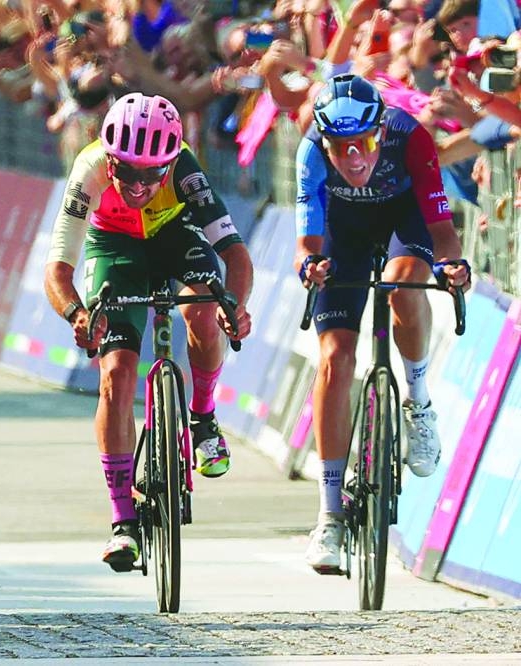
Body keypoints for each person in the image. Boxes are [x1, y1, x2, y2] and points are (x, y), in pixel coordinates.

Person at [43, 92, 254, 571]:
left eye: (150, 173)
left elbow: (236, 255)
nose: (138, 184)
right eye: (127, 172)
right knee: (115, 375)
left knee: (203, 307)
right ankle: (123, 521)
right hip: (112, 246)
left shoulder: (183, 168)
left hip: (173, 235)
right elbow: (57, 272)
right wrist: (78, 314)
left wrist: (235, 307)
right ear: (110, 159)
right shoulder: (90, 169)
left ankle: (202, 418)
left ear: (169, 162)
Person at [294, 74, 471, 574]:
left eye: (364, 144)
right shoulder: (308, 151)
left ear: (380, 132)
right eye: (340, 148)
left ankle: (417, 401)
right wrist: (310, 266)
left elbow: (441, 230)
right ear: (324, 143)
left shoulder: (410, 135)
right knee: (334, 358)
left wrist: (452, 266)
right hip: (342, 236)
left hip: (404, 223)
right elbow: (306, 241)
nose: (354, 159)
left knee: (403, 283)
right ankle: (328, 516)